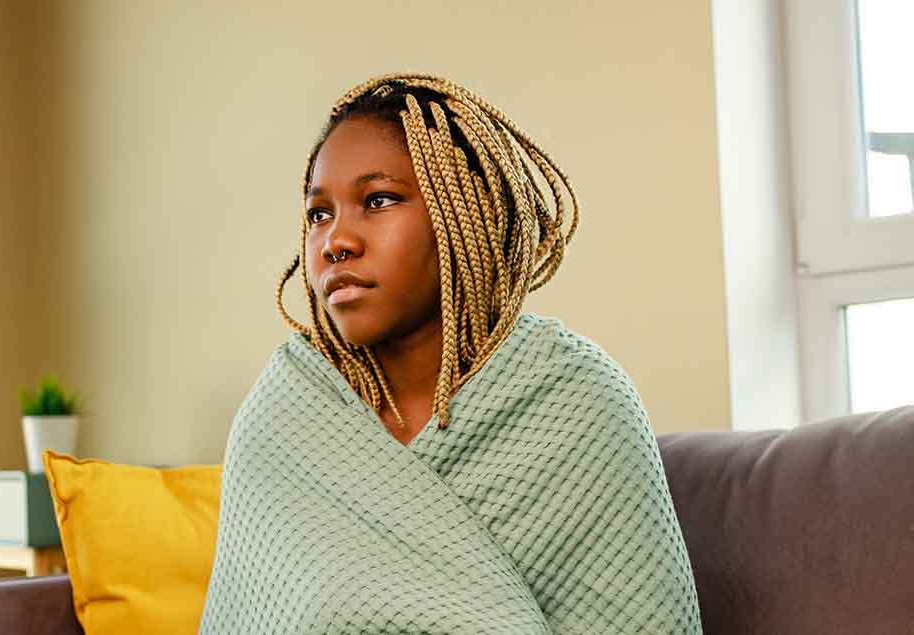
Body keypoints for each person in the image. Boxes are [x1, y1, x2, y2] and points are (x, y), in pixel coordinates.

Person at [200, 72, 702, 634]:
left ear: (465, 213)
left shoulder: (579, 401)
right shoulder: (282, 418)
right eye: (320, 213)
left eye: (378, 200)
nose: (335, 241)